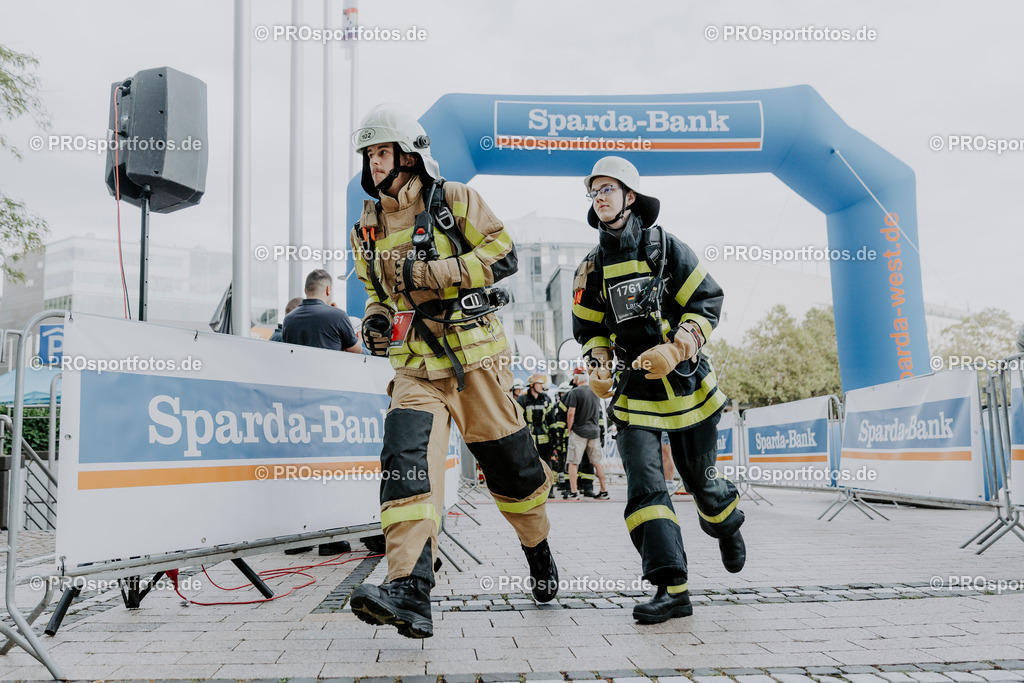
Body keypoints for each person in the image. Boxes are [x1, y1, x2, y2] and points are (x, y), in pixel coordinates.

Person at [346, 104, 557, 639]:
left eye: (383, 152)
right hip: (415, 367)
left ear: (408, 154)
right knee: (406, 463)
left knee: (512, 471)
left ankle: (539, 553)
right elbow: (375, 293)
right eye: (369, 154)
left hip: (476, 360)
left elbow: (503, 255)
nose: (374, 163)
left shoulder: (456, 200)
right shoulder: (365, 228)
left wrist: (431, 272)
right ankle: (411, 591)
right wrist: (374, 321)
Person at [572, 156, 745, 624]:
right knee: (646, 488)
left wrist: (680, 344)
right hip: (633, 393)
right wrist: (599, 364)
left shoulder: (668, 247)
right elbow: (588, 329)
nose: (601, 197)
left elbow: (708, 300)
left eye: (609, 189)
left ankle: (726, 522)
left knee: (703, 486)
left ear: (630, 197)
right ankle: (672, 588)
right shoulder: (590, 267)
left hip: (687, 386)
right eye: (595, 191)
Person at [282, 270, 363, 353]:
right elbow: (356, 351)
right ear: (328, 290)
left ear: (305, 290)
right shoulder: (339, 316)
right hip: (330, 366)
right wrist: (359, 339)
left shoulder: (288, 319)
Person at [564, 368, 609, 500]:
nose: (573, 379)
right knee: (597, 462)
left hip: (579, 432)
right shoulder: (595, 392)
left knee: (573, 462)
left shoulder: (574, 392)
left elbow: (571, 412)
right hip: (594, 432)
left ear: (578, 378)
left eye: (574, 377)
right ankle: (604, 491)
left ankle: (573, 492)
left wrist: (569, 428)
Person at [518, 373, 555, 481]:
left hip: (545, 439)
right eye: (539, 384)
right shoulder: (522, 400)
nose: (541, 386)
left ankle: (549, 488)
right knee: (530, 464)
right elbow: (519, 420)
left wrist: (554, 435)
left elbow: (551, 419)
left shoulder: (546, 399)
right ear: (532, 385)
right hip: (529, 439)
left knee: (546, 463)